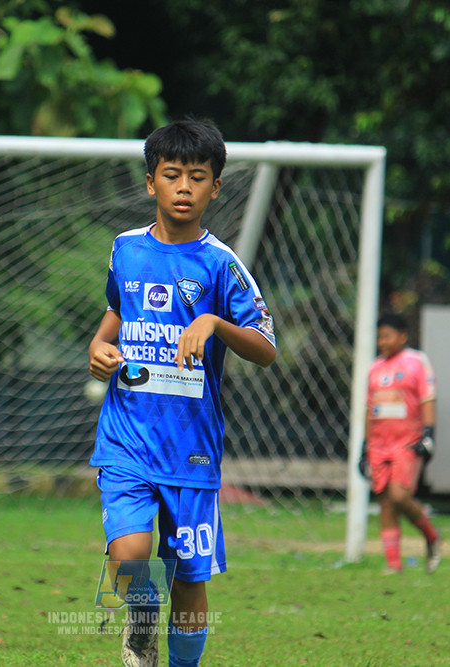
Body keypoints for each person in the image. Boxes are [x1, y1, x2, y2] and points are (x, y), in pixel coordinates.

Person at [88, 119, 276, 667]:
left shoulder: (222, 265)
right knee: (129, 557)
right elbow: (114, 319)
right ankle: (142, 612)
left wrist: (215, 323)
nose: (185, 187)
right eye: (173, 176)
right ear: (152, 183)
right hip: (126, 437)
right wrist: (98, 351)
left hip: (191, 450)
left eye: (198, 177)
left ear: (216, 187)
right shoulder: (125, 250)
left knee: (190, 580)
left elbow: (266, 348)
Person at [360, 313, 441, 574]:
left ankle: (431, 535)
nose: (382, 342)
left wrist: (428, 434)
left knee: (399, 495)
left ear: (402, 336)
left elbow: (428, 398)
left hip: (406, 441)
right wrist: (365, 446)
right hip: (379, 443)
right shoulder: (374, 368)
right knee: (385, 501)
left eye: (387, 336)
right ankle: (393, 564)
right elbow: (369, 408)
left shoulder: (416, 362)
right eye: (379, 337)